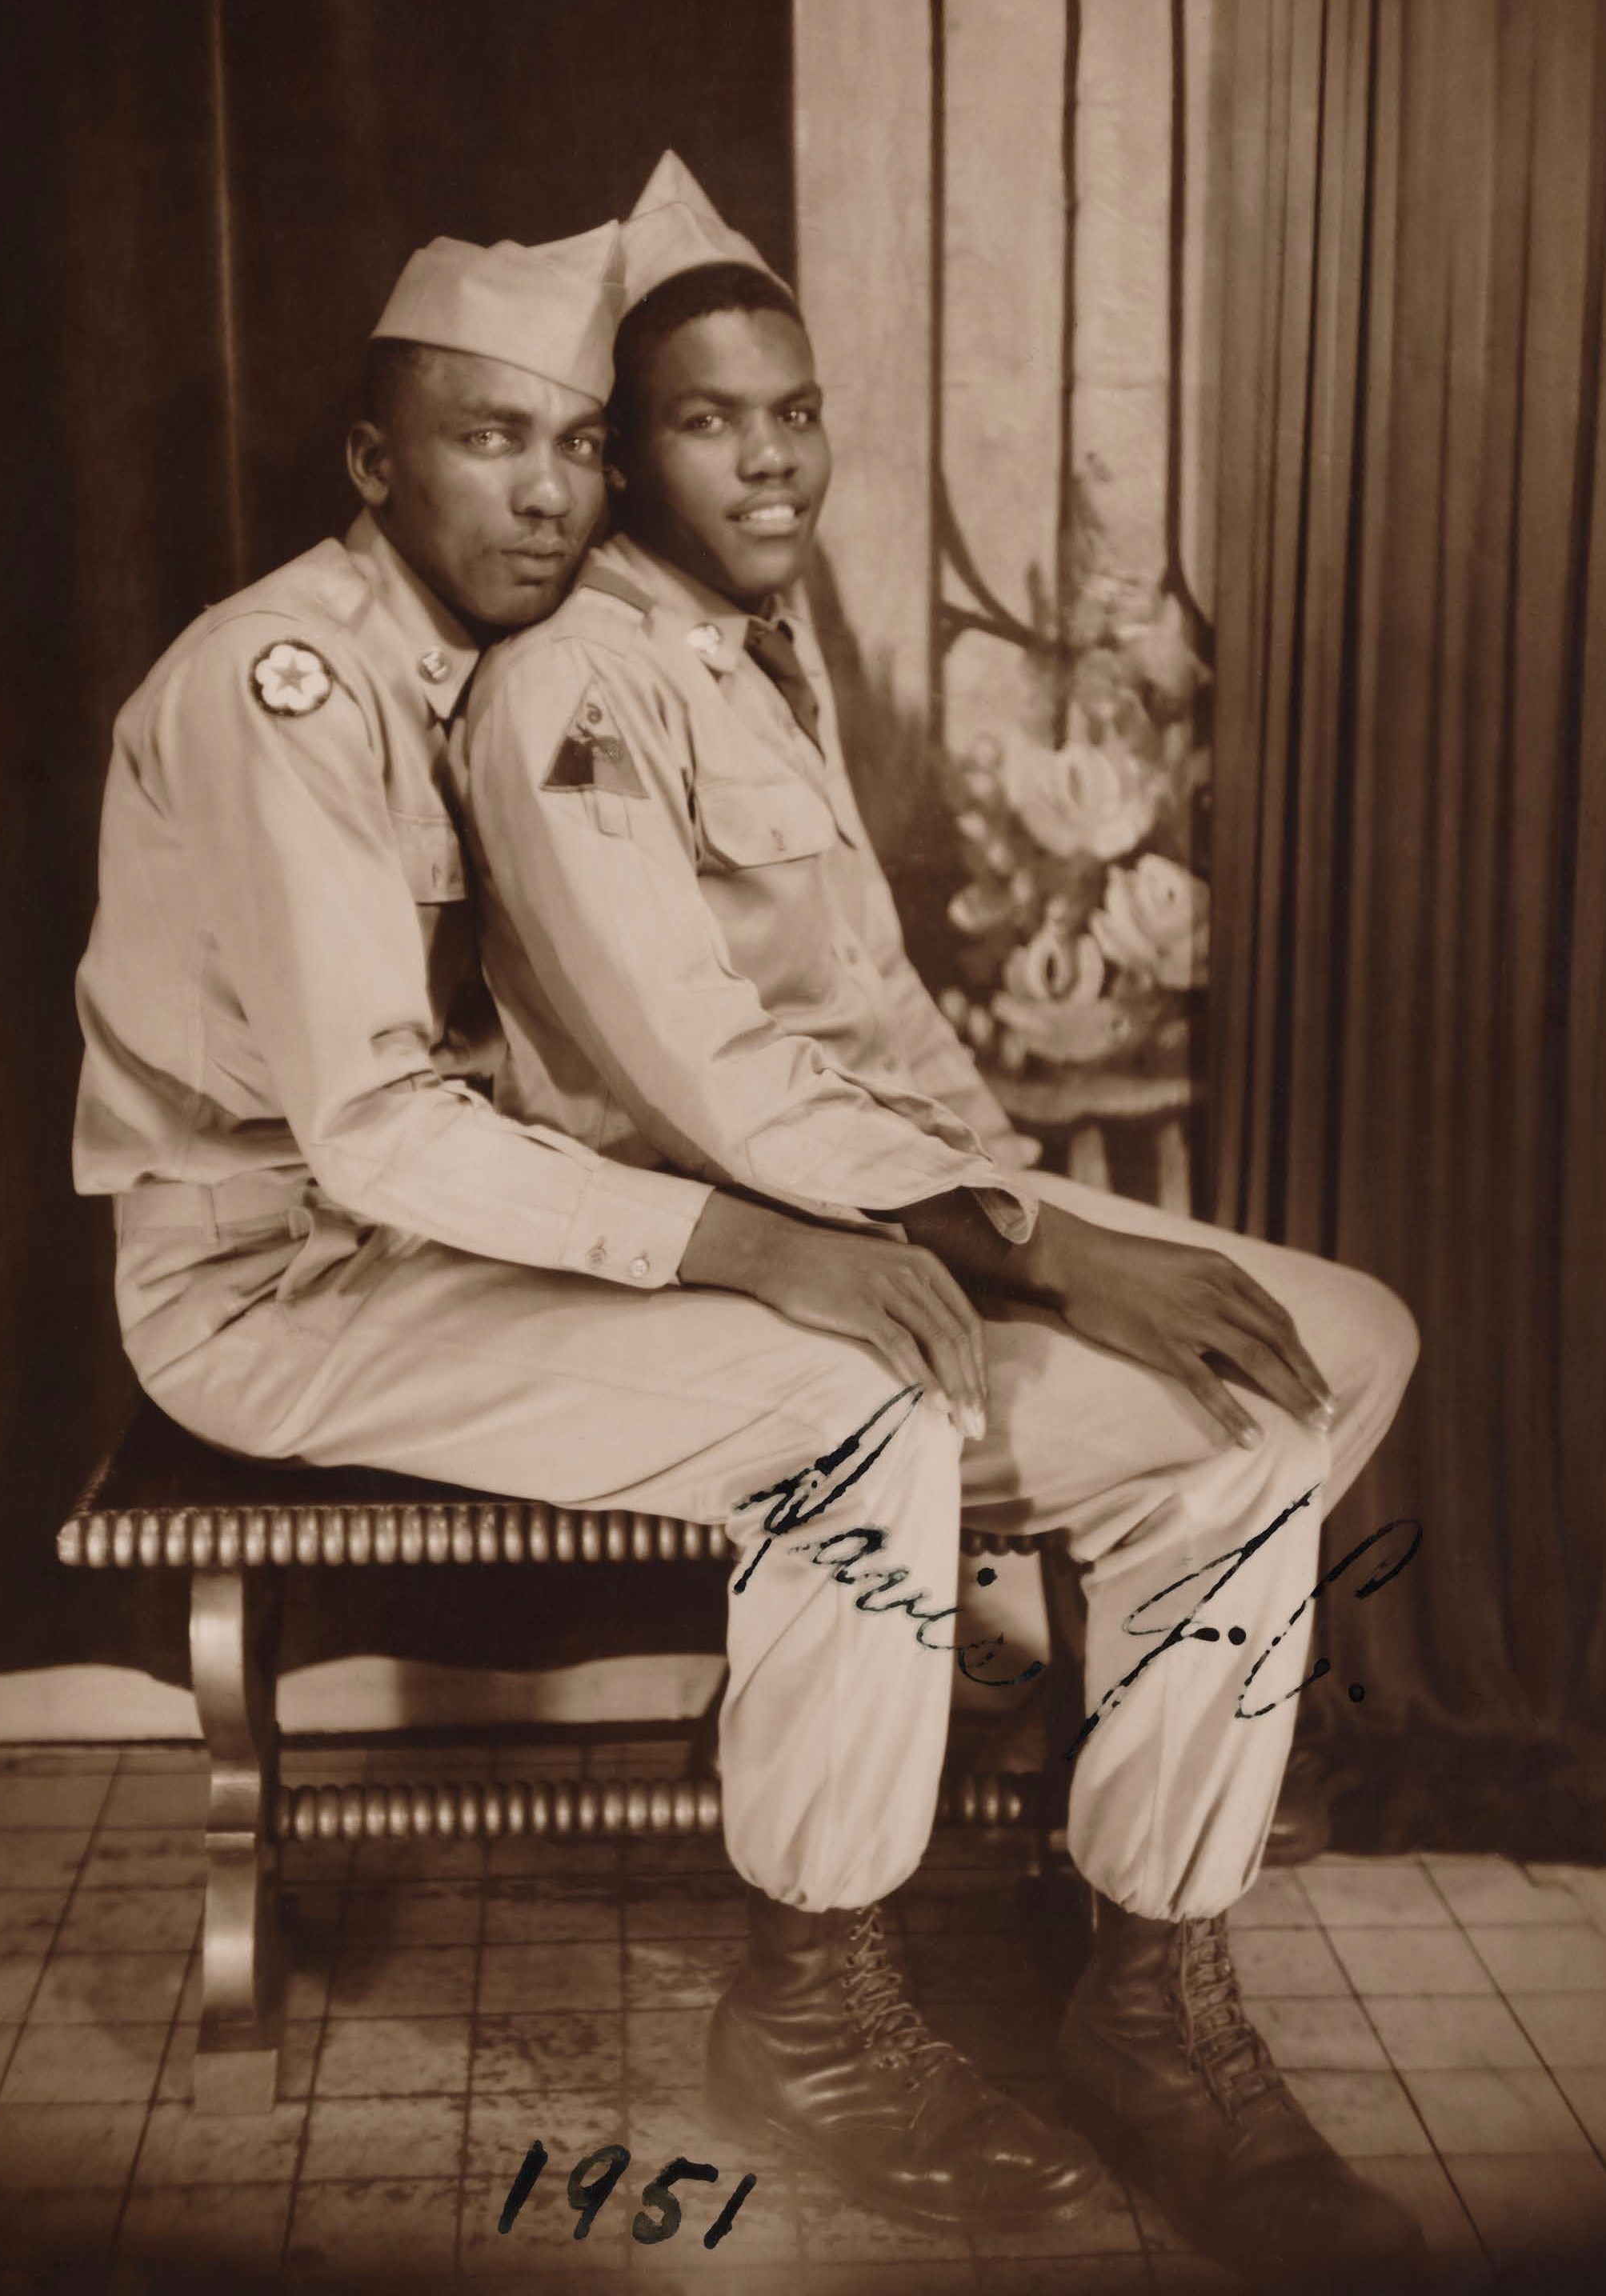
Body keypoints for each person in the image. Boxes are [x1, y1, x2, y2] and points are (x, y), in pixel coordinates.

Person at [73, 218, 1109, 2238]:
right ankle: (810, 2021)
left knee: (868, 1372)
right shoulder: (287, 681)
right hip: (270, 1279)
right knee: (847, 1408)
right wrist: (747, 1244)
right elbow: (373, 1126)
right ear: (376, 466)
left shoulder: (488, 673)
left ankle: (844, 1782)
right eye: (486, 442)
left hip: (428, 1244)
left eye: (571, 446)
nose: (546, 491)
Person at [458, 154, 1427, 2286]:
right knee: (1093, 1429)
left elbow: (883, 1039)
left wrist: (1030, 1228)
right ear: (620, 454)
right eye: (714, 418)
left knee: (1312, 1359)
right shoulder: (566, 696)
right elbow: (702, 1078)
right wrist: (1064, 1252)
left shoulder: (760, 657)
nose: (774, 450)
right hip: (726, 1272)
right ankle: (841, 1999)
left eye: (792, 407)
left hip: (921, 1230)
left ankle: (1140, 1968)